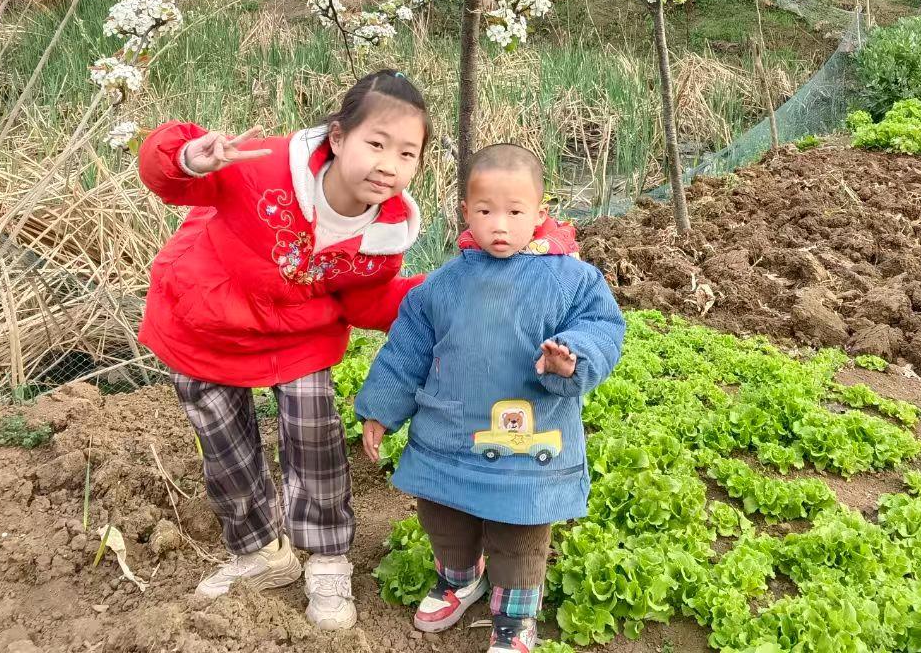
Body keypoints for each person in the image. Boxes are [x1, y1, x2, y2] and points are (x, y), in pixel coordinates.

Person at [137, 69, 430, 629]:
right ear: (338, 137)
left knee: (314, 433)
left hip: (297, 335)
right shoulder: (263, 166)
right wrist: (189, 157)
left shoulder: (383, 238)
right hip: (205, 322)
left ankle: (326, 557)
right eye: (375, 143)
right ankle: (257, 554)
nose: (389, 164)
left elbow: (361, 303)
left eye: (407, 153)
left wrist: (436, 295)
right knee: (225, 448)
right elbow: (172, 182)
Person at [356, 144, 625, 652]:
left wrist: (572, 357)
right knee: (443, 514)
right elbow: (406, 350)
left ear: (540, 213)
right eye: (484, 211)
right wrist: (380, 409)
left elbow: (603, 328)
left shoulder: (572, 279)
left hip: (529, 434)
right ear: (465, 212)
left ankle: (515, 616)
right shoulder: (442, 285)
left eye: (515, 212)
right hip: (447, 433)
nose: (499, 225)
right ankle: (459, 577)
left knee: (519, 528)